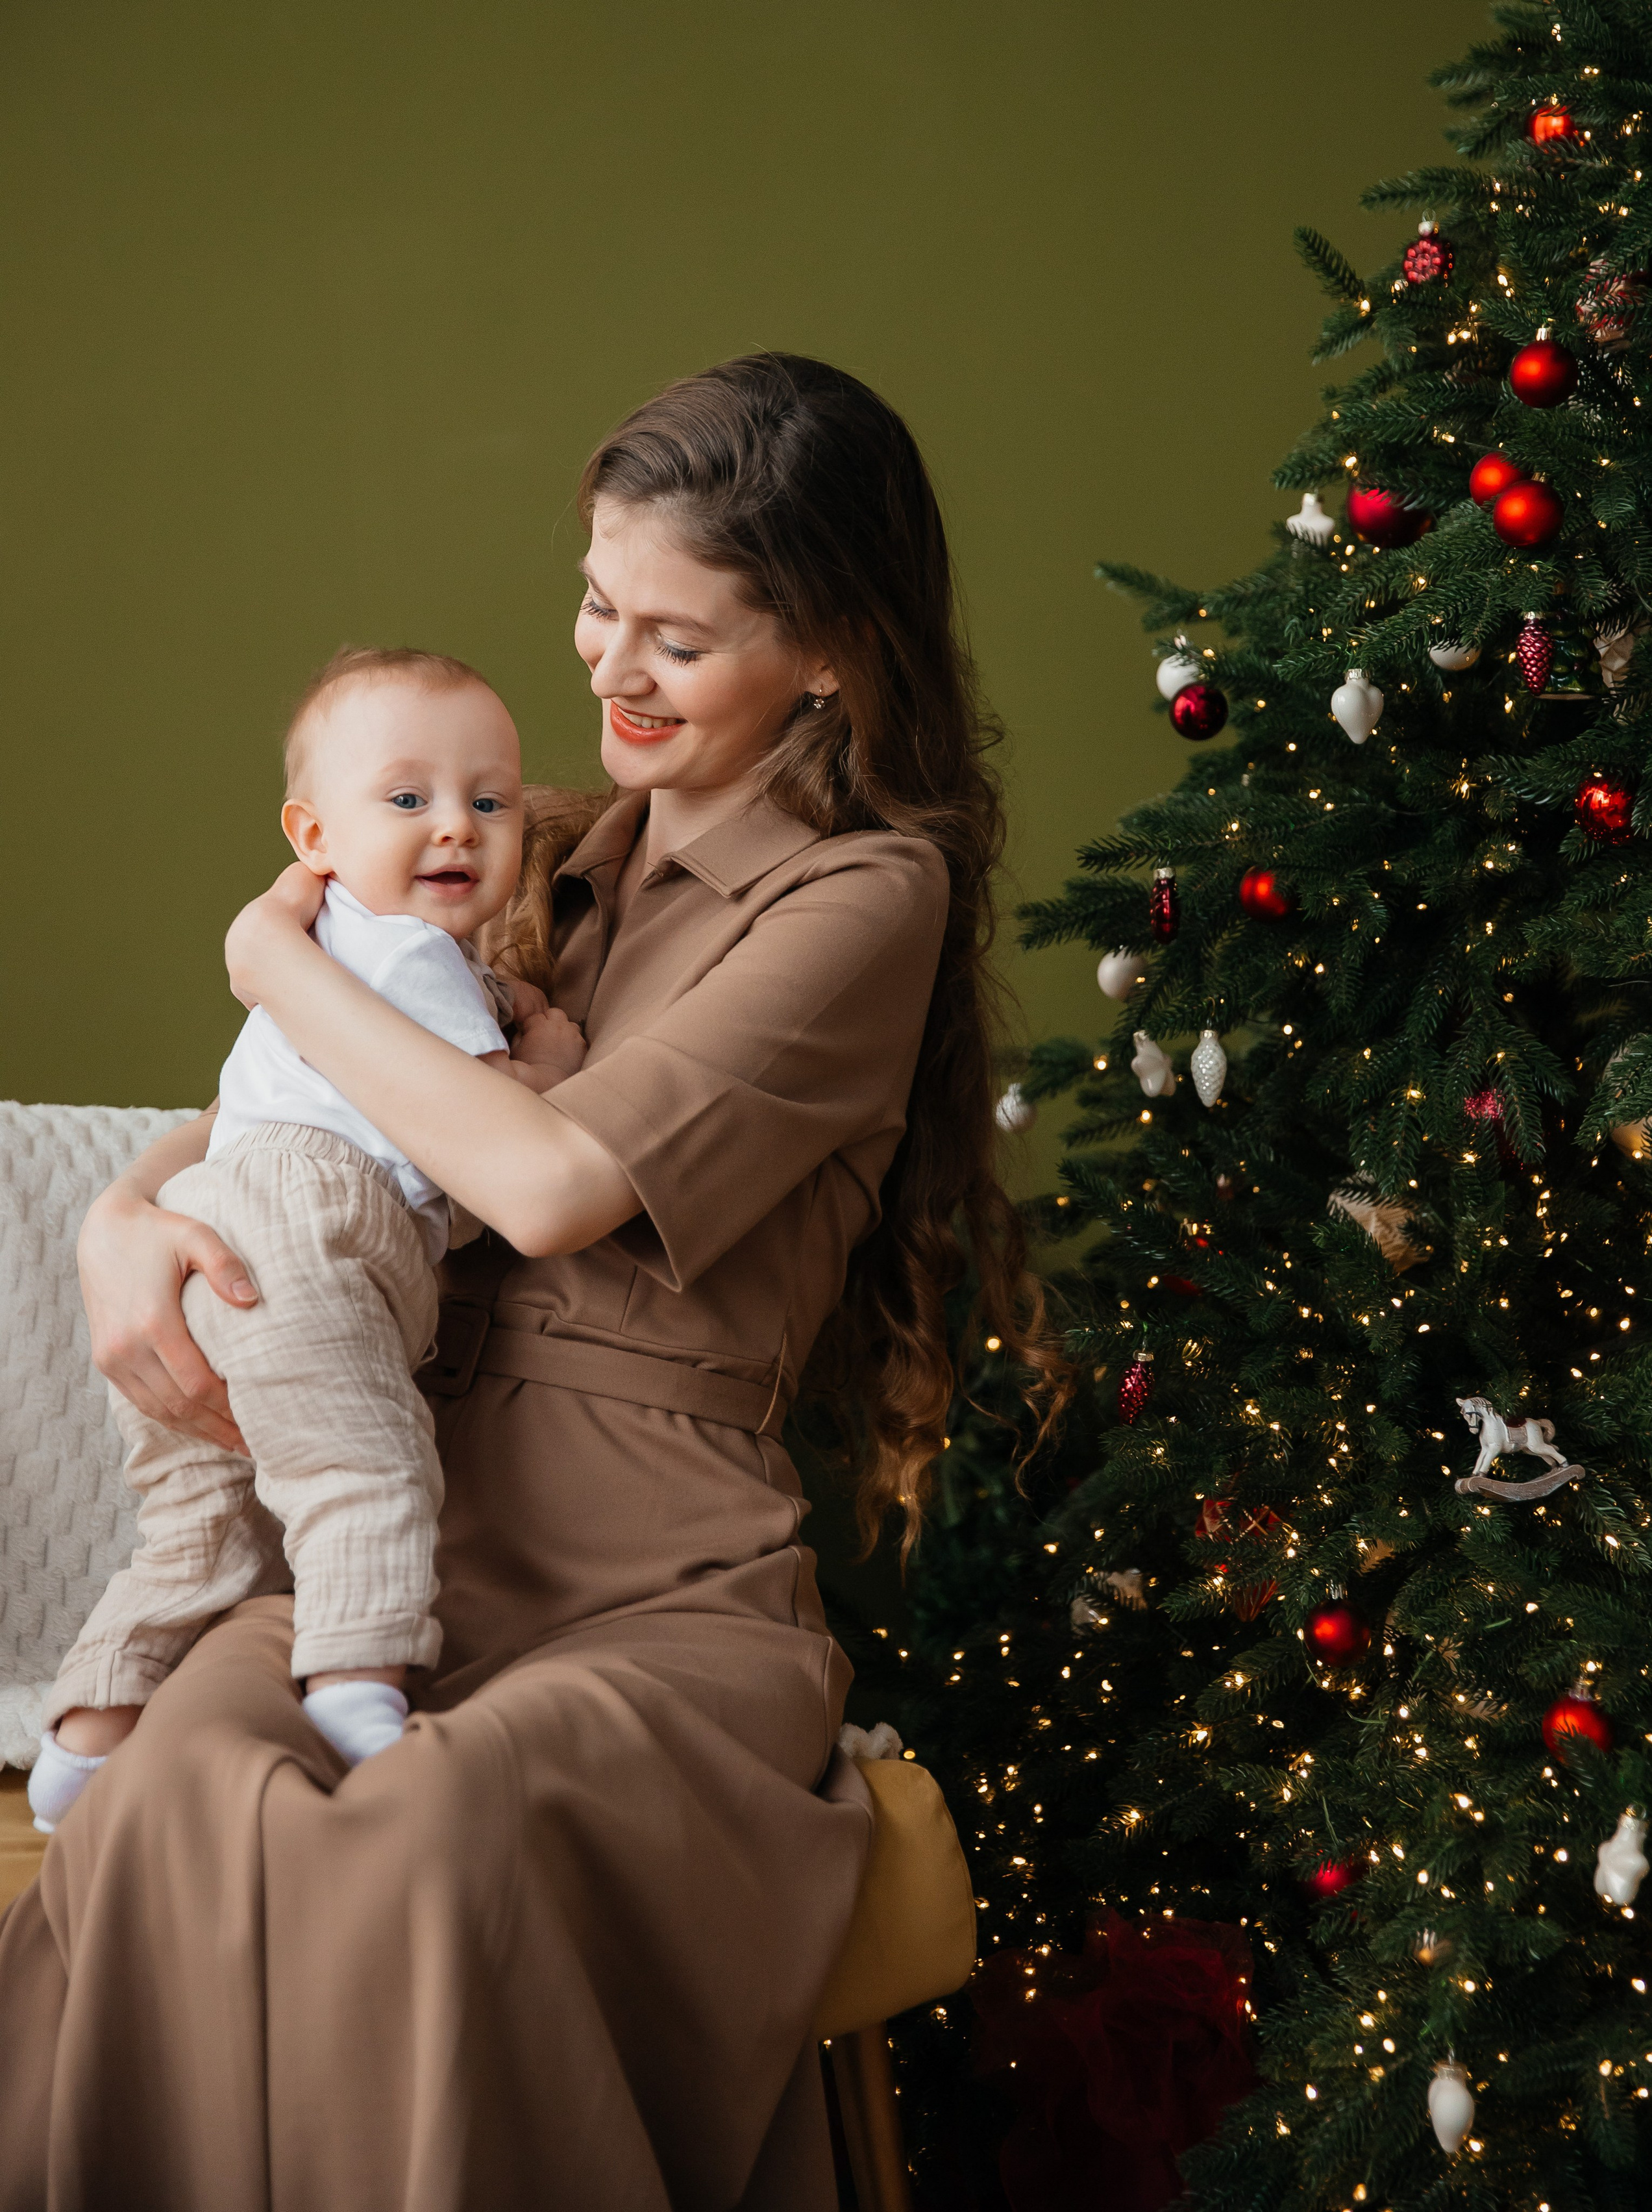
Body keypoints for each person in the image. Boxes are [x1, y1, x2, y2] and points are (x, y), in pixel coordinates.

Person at [0, 353, 1064, 2211]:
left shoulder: (860, 897)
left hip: (658, 1587)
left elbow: (553, 1179)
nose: (608, 668)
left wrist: (274, 953)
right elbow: (300, 1124)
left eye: (678, 636)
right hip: (400, 1546)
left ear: (827, 650)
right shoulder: (533, 844)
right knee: (182, 1787)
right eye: (596, 603)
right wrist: (124, 1218)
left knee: (426, 1844)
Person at [28, 649, 588, 1834]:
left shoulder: (326, 950)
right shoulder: (409, 955)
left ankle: (81, 1744)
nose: (456, 828)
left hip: (206, 1237)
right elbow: (487, 1154)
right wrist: (550, 1066)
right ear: (312, 833)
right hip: (311, 1225)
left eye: (490, 802)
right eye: (407, 799)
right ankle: (356, 1694)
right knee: (365, 1473)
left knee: (200, 1529)